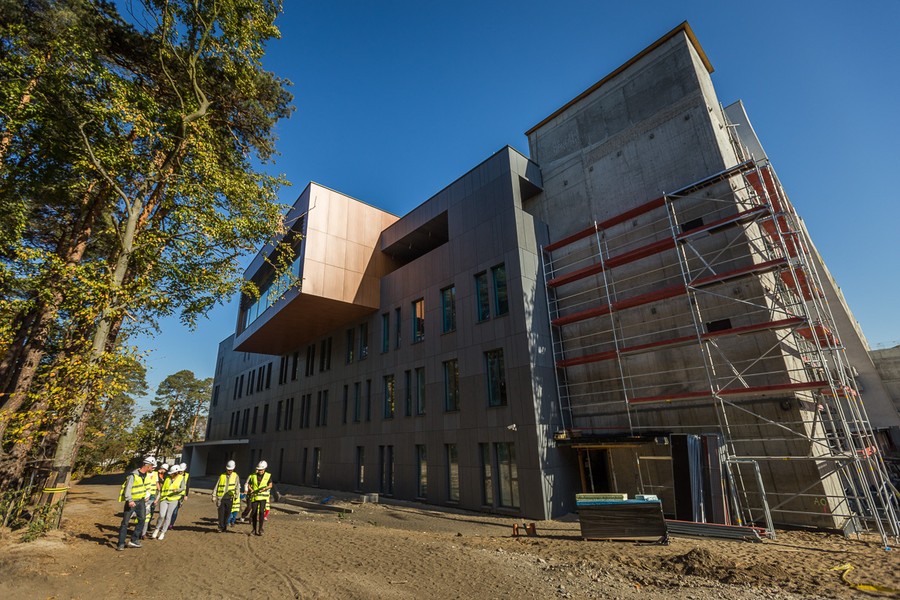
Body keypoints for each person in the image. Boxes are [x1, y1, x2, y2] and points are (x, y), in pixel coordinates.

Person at [116, 456, 156, 551]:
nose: (153, 468)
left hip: (141, 501)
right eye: (152, 466)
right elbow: (128, 489)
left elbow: (145, 487)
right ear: (148, 466)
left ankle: (134, 540)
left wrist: (146, 495)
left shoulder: (146, 476)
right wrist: (129, 500)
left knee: (142, 519)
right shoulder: (133, 475)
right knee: (125, 523)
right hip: (132, 502)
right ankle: (121, 543)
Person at [151, 464, 183, 540]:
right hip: (164, 499)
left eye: (172, 473)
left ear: (176, 473)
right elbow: (161, 487)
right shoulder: (167, 478)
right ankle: (157, 529)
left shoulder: (181, 478)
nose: (170, 474)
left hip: (174, 500)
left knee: (168, 516)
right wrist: (157, 499)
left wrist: (177, 490)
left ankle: (163, 532)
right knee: (161, 515)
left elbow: (183, 488)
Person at [141, 463, 168, 539]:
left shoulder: (158, 475)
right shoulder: (148, 473)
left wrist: (157, 497)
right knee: (144, 512)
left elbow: (158, 485)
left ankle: (145, 529)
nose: (164, 471)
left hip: (153, 495)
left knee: (150, 513)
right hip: (145, 495)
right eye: (164, 470)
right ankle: (142, 530)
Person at [246, 460, 273, 536]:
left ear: (264, 469)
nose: (260, 471)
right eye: (259, 470)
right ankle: (254, 529)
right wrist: (251, 490)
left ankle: (260, 529)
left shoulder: (268, 476)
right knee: (254, 512)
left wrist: (264, 489)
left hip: (263, 497)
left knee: (261, 512)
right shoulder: (253, 476)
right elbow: (249, 485)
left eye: (261, 470)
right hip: (255, 497)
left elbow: (270, 485)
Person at [213, 460, 240, 532]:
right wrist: (214, 495)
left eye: (231, 470)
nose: (229, 471)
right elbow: (217, 485)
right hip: (221, 498)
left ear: (233, 469)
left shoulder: (236, 476)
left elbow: (237, 486)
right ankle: (220, 527)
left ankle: (224, 526)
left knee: (227, 514)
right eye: (228, 469)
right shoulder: (222, 476)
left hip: (230, 498)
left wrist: (237, 495)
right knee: (221, 514)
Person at [168, 462, 189, 529]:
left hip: (181, 495)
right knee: (171, 509)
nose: (181, 471)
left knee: (175, 510)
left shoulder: (187, 475)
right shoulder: (174, 474)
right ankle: (168, 522)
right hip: (171, 493)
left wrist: (186, 495)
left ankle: (171, 524)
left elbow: (187, 485)